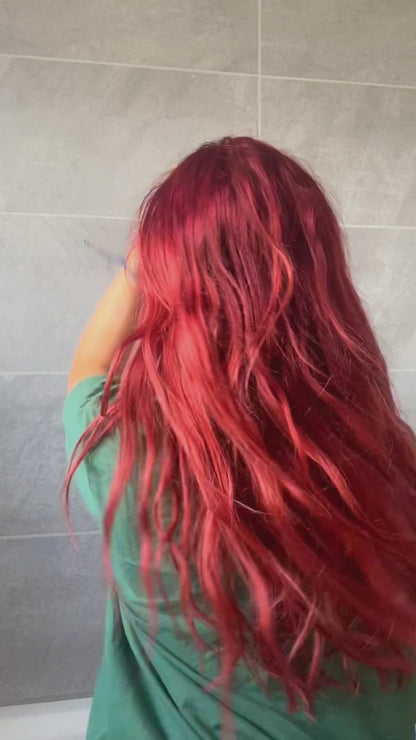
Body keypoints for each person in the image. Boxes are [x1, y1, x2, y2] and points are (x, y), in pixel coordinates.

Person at [63, 137, 416, 739]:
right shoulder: (394, 462)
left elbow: (87, 371)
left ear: (169, 283)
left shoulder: (127, 457)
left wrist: (143, 259)